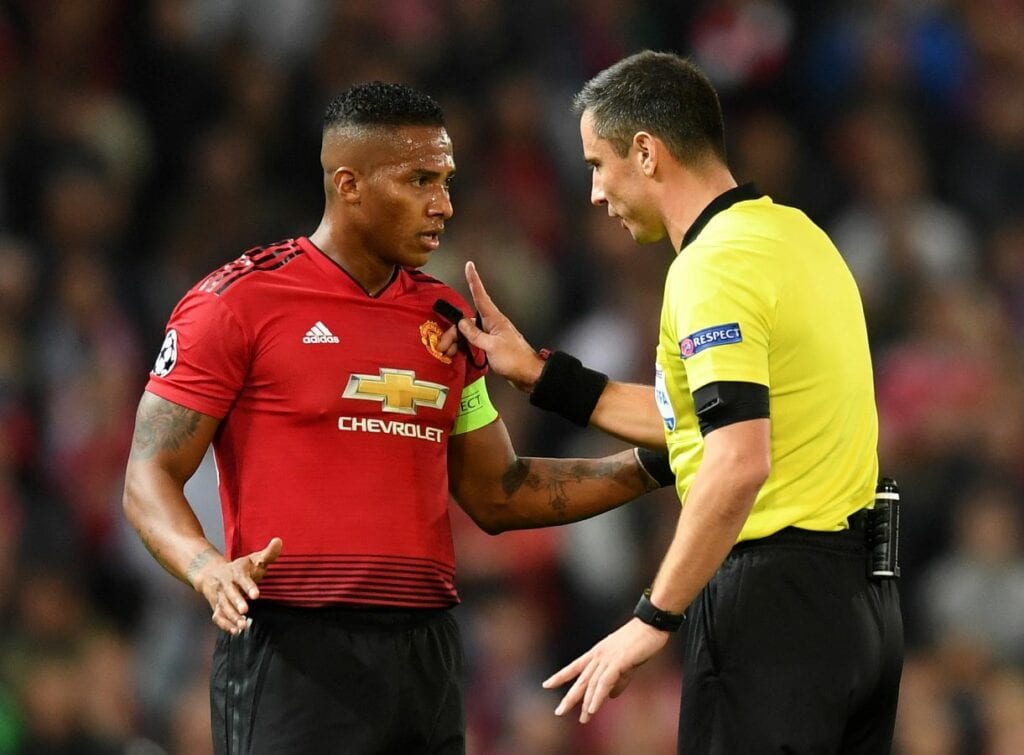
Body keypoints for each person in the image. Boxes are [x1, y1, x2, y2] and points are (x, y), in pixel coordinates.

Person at [121, 82, 670, 754]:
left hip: (426, 654)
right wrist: (207, 566)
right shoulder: (236, 302)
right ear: (348, 185)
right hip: (295, 646)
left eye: (445, 179)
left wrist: (657, 461)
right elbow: (148, 474)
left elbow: (500, 491)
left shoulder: (446, 321)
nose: (442, 202)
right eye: (418, 179)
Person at [453, 51, 904, 753]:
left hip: (774, 611)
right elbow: (699, 419)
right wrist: (540, 373)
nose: (596, 192)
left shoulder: (710, 268)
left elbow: (736, 460)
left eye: (598, 165)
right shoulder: (800, 237)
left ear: (646, 151)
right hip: (862, 607)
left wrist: (652, 618)